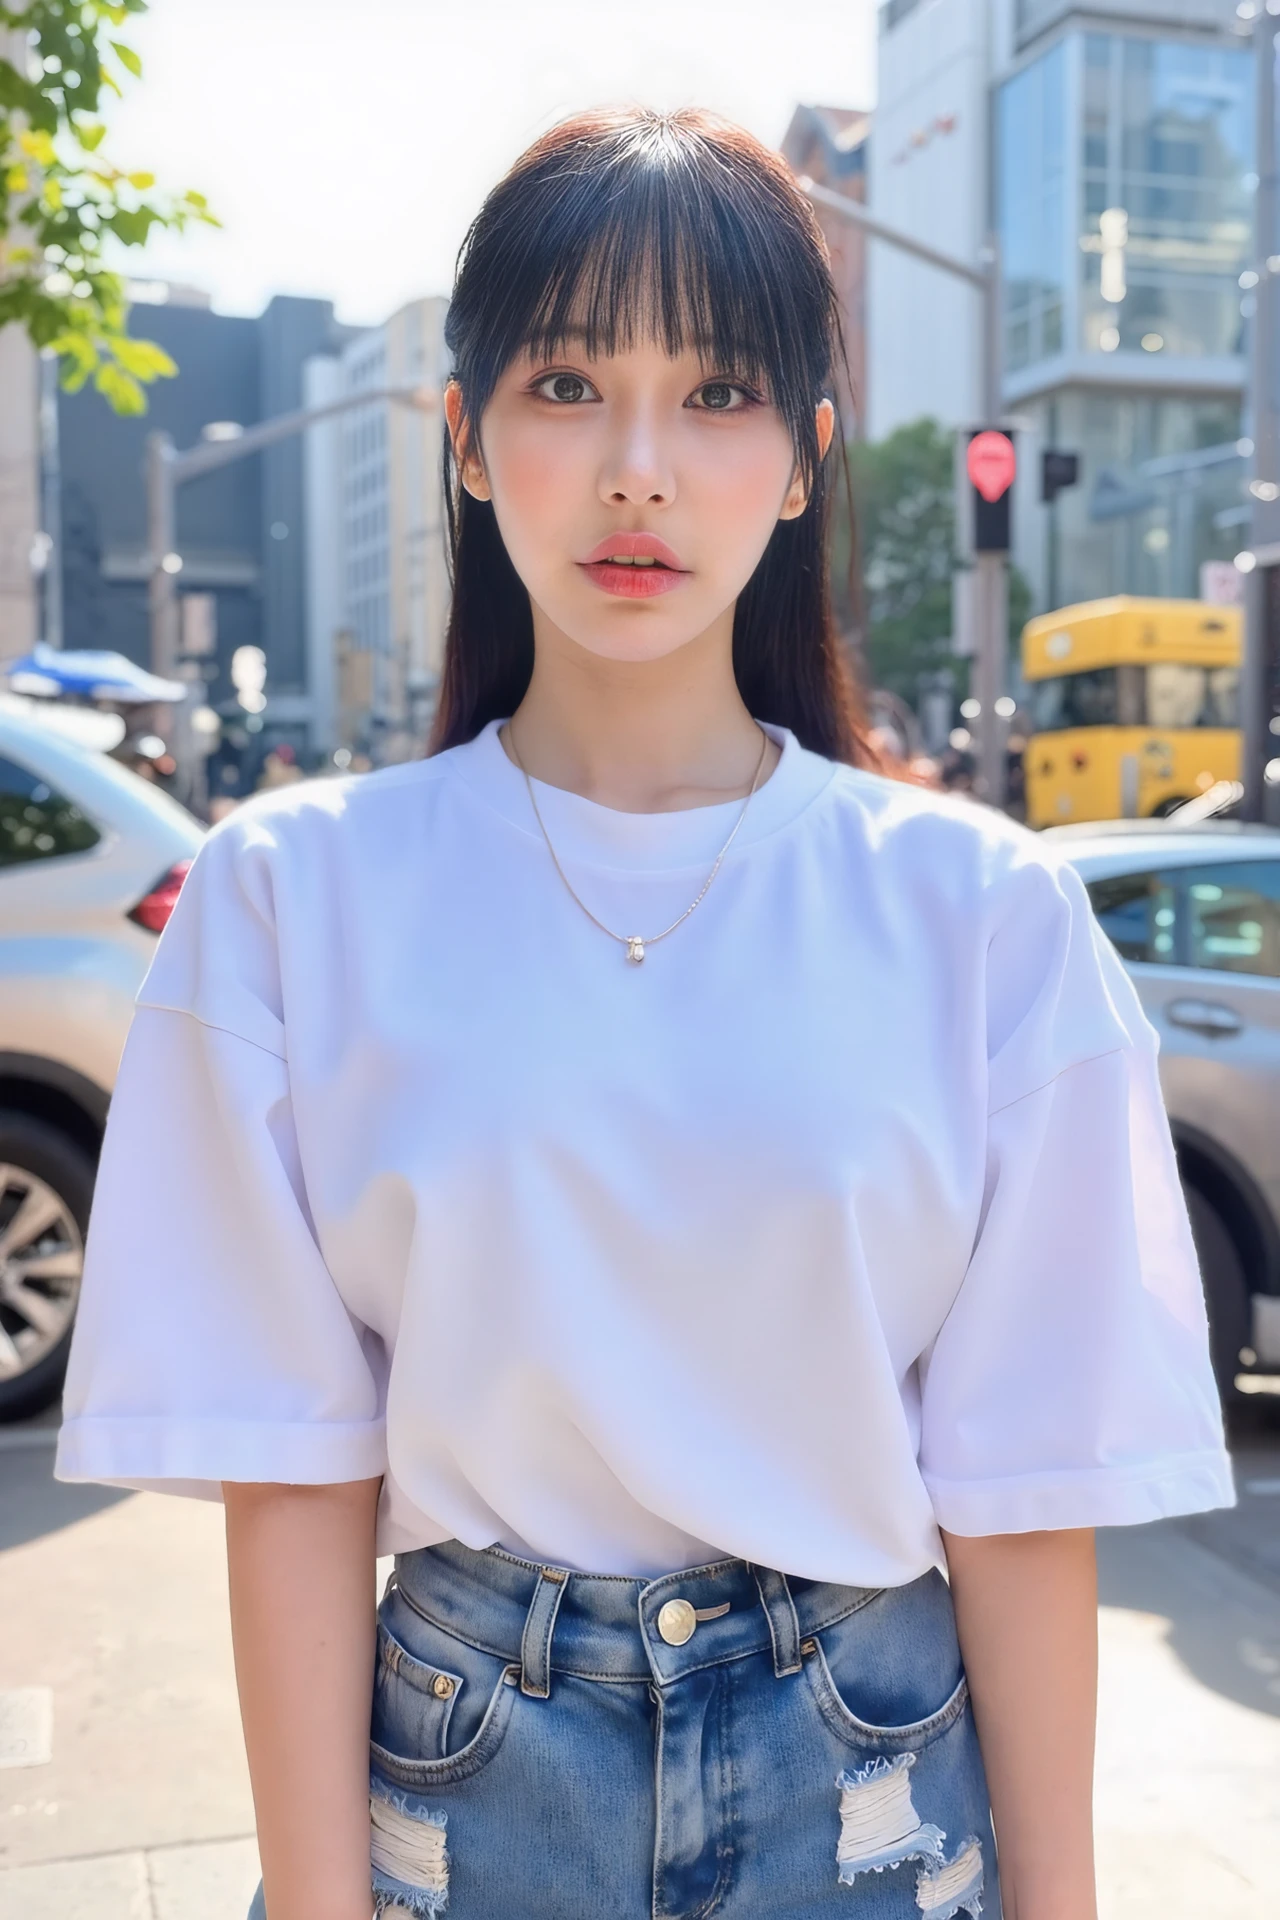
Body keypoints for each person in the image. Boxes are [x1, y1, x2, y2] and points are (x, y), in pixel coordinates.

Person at [56, 109, 1231, 1920]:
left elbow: (1018, 1486)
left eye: (716, 394)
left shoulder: (982, 914)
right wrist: (309, 1900)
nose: (635, 467)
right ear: (461, 438)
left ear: (799, 464)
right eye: (563, 381)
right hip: (461, 1785)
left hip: (872, 1785)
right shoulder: (294, 895)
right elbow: (295, 1469)